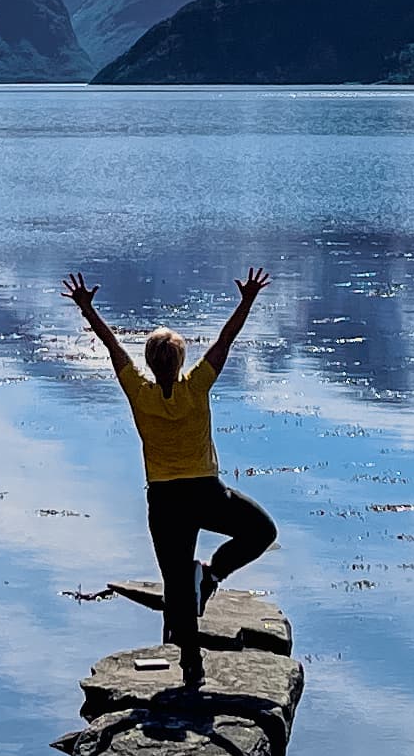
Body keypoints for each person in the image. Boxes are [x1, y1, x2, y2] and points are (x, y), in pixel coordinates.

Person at [63, 265, 278, 695]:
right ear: (180, 362)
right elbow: (225, 341)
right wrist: (247, 300)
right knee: (261, 532)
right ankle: (213, 575)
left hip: (164, 501)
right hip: (205, 492)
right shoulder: (196, 386)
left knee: (178, 584)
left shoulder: (139, 393)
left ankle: (192, 667)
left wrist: (88, 309)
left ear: (149, 363)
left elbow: (111, 346)